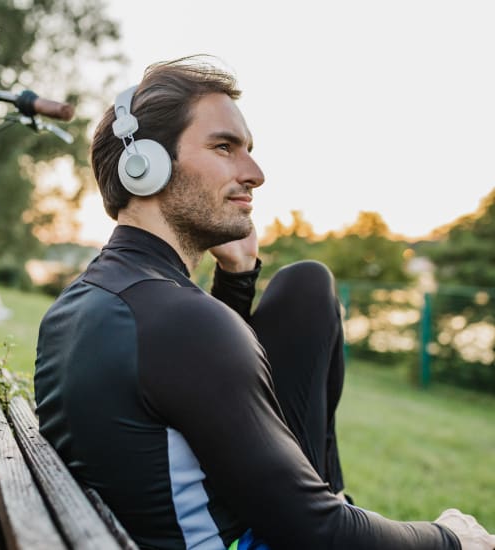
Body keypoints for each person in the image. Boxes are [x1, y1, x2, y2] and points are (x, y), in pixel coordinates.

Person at [34, 56, 495, 549]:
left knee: (305, 288)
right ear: (144, 165)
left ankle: (330, 490)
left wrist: (236, 279)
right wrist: (451, 539)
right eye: (224, 147)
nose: (255, 173)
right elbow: (316, 531)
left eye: (248, 150)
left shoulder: (86, 302)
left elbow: (196, 385)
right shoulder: (180, 323)